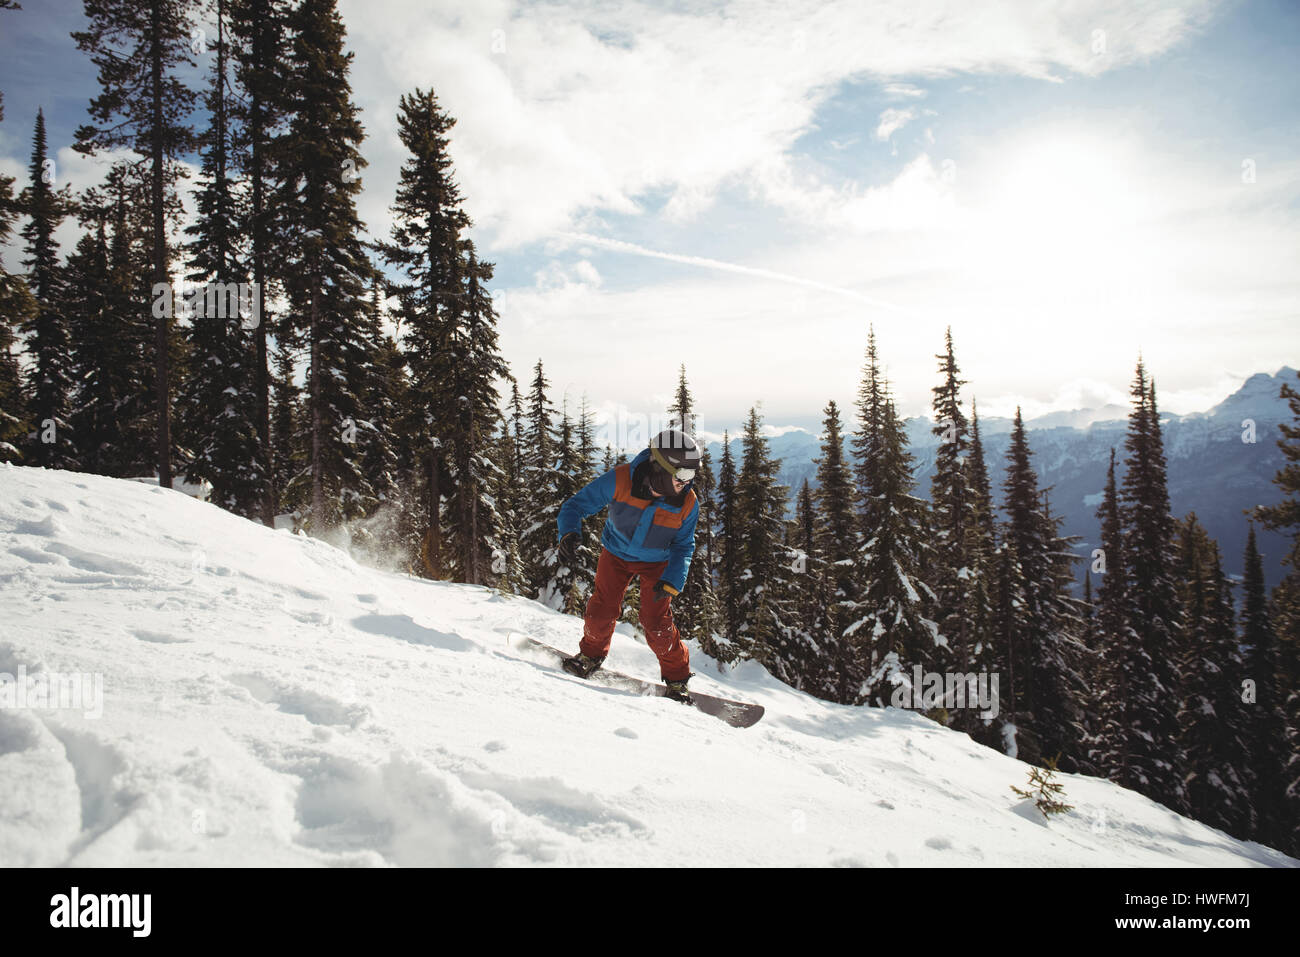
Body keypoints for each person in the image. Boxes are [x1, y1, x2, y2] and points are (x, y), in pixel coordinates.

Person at [556, 428, 701, 702]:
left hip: (657, 563)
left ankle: (677, 680)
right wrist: (569, 532)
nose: (688, 483)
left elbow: (684, 545)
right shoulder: (621, 480)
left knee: (656, 623)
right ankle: (590, 655)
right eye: (682, 476)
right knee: (601, 610)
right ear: (660, 468)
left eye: (692, 476)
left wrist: (672, 580)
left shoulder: (687, 502)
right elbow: (575, 506)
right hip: (616, 554)